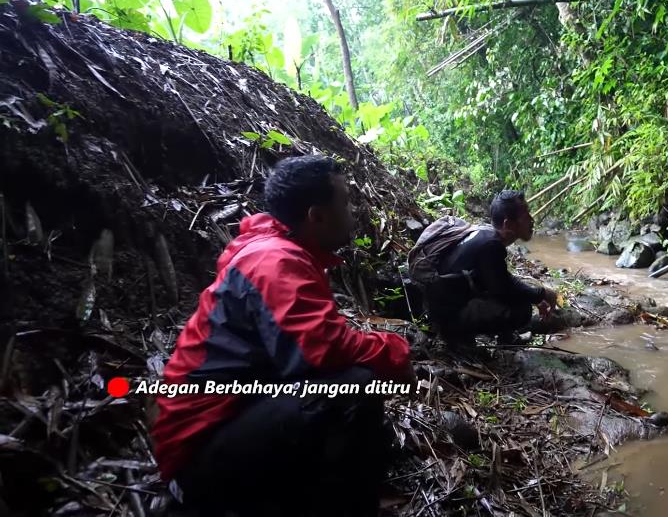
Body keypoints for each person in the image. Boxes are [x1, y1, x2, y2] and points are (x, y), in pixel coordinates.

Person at [151, 155, 414, 516]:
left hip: (231, 421)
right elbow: (322, 350)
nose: (353, 211)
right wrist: (395, 354)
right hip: (201, 451)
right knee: (357, 386)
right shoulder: (276, 261)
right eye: (345, 202)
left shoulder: (279, 251)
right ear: (316, 216)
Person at [424, 190, 558, 347]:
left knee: (516, 297)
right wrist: (540, 294)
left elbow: (500, 278)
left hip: (443, 304)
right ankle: (458, 337)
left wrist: (536, 296)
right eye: (526, 215)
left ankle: (504, 337)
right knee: (522, 310)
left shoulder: (484, 233)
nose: (531, 220)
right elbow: (502, 289)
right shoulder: (491, 245)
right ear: (508, 224)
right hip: (447, 315)